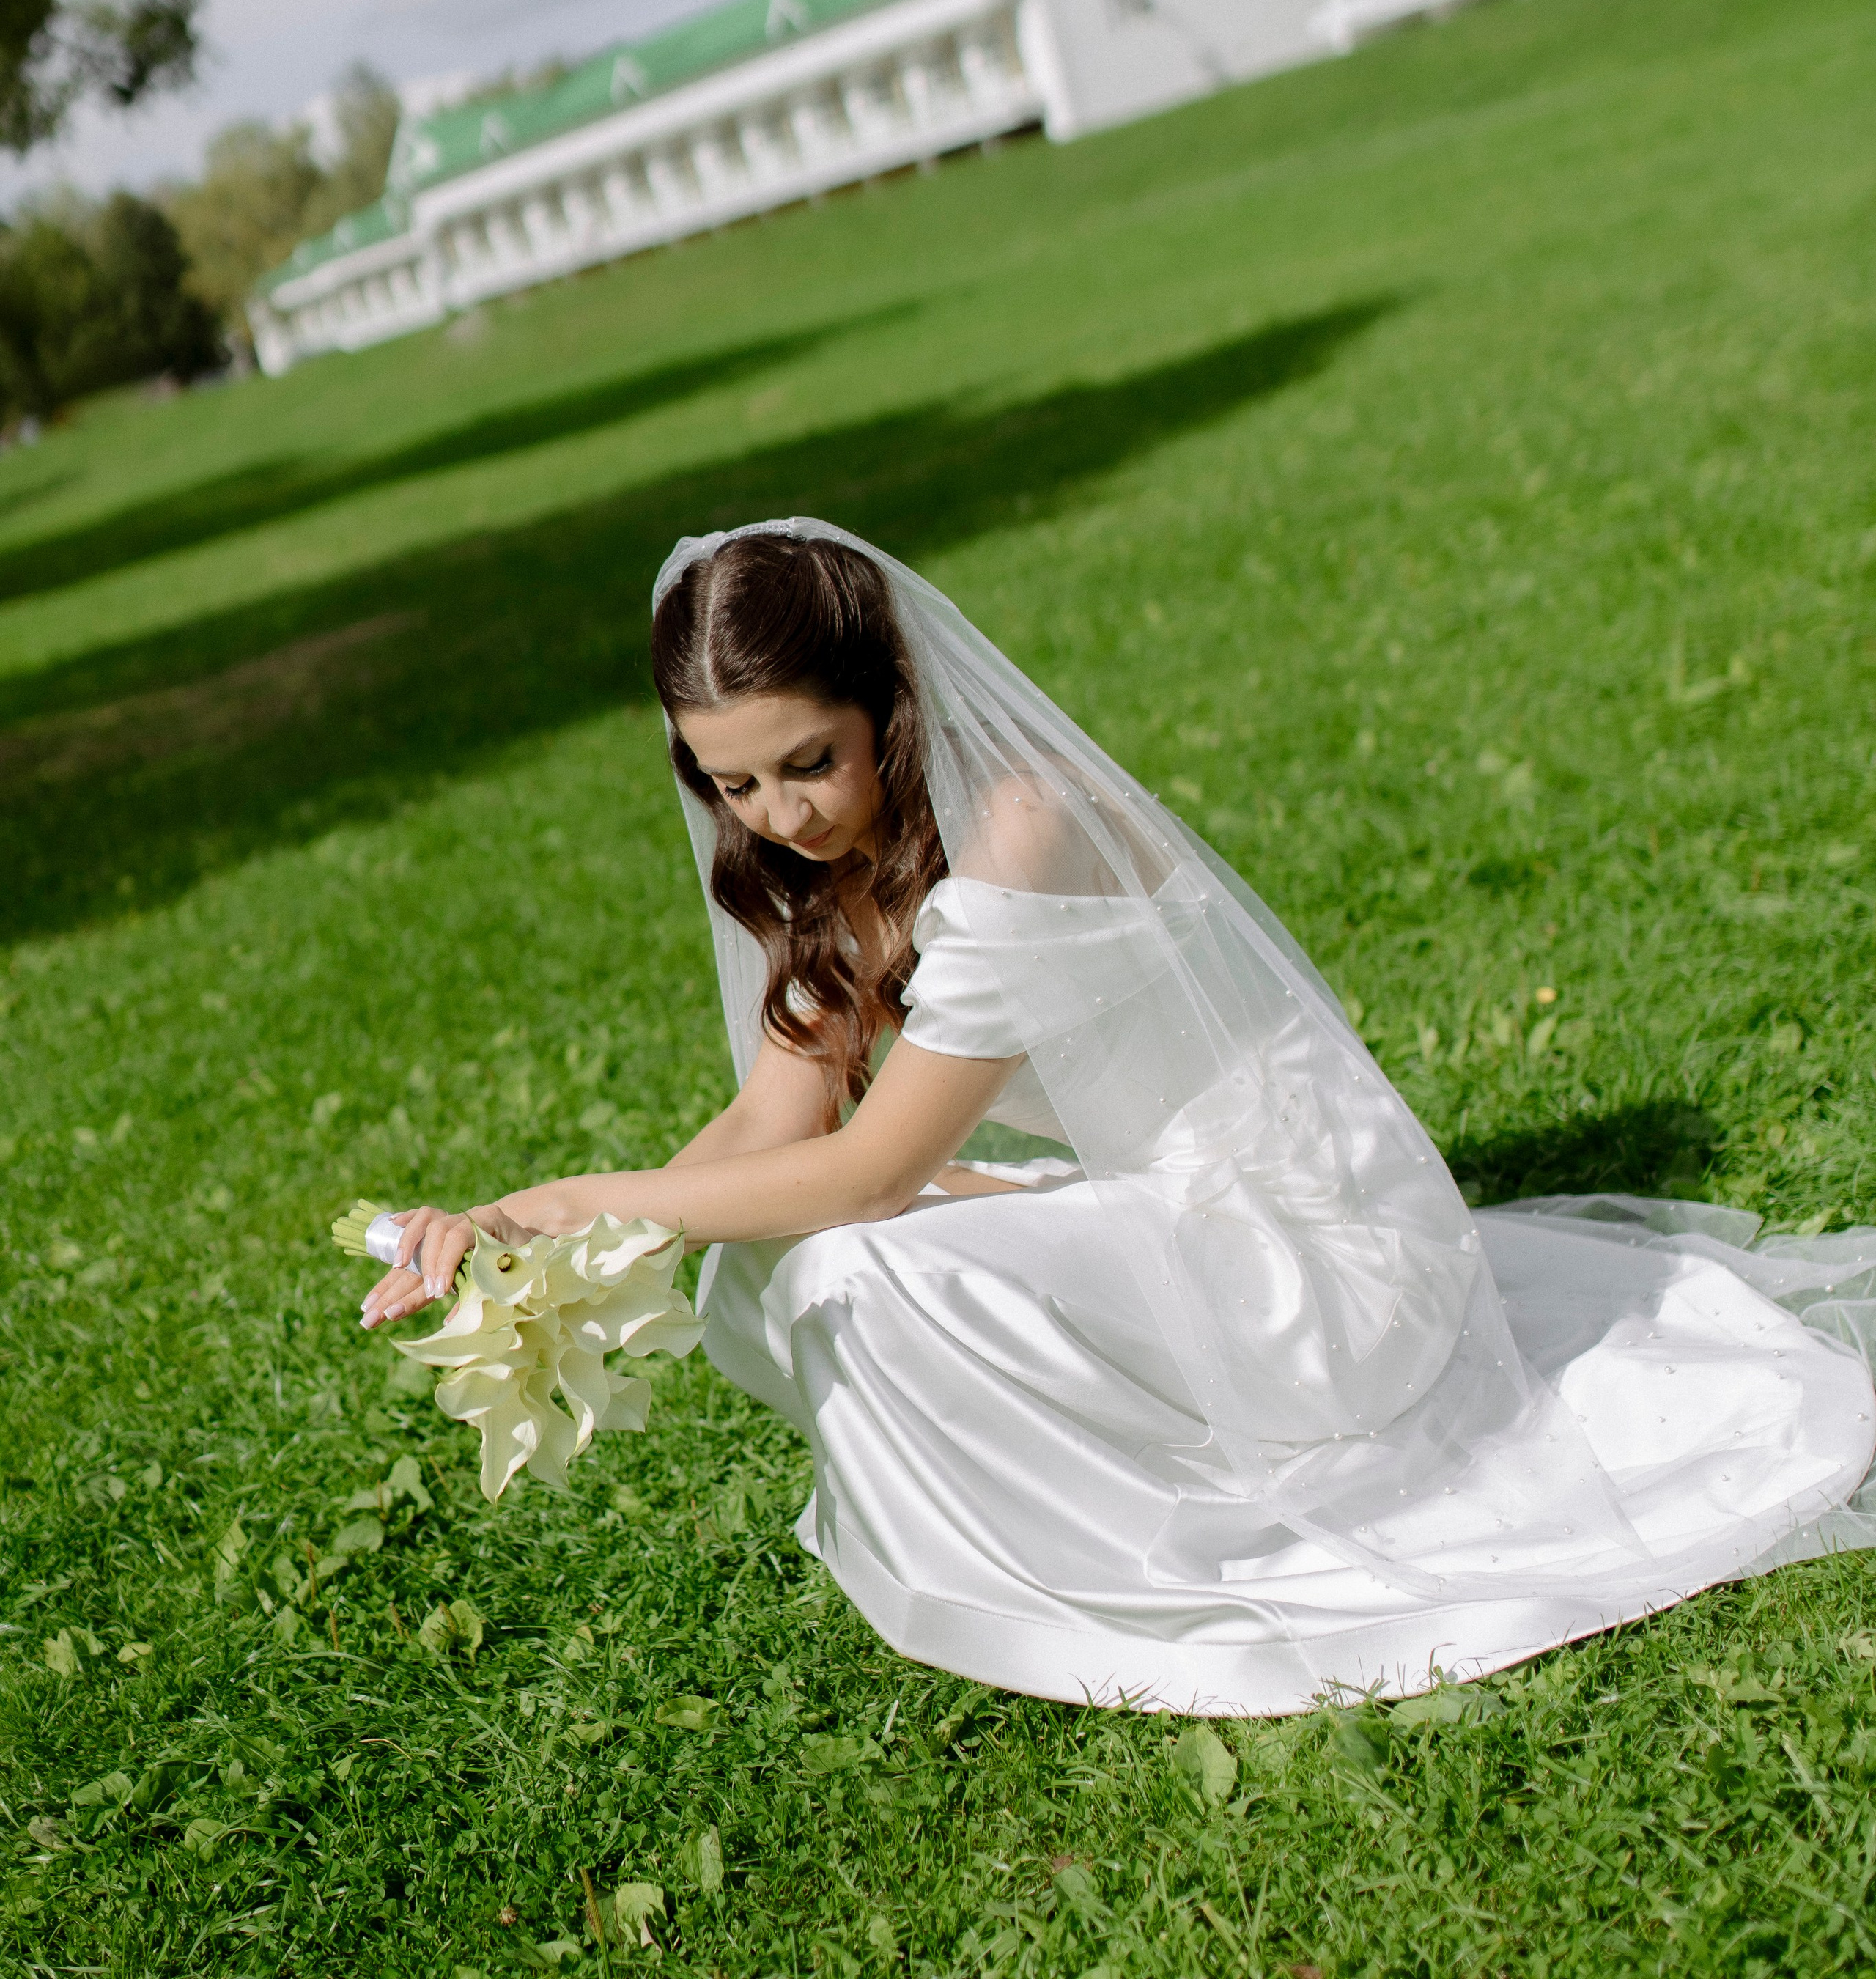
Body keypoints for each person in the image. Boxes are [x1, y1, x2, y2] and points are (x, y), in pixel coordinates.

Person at [366, 519, 1876, 1715]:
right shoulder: (816, 872)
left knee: (851, 1255)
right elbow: (772, 1129)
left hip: (1315, 1251)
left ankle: (1112, 1564)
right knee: (775, 1256)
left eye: (807, 763)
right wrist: (520, 1241)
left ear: (884, 703)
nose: (777, 816)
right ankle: (1049, 1553)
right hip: (1174, 1213)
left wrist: (569, 1195)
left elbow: (877, 1170)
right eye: (732, 782)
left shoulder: (1016, 823)